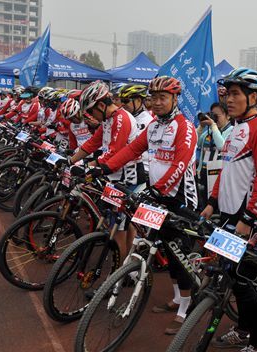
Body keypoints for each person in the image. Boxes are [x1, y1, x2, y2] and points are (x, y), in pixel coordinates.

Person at [95, 76, 199, 336]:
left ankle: (185, 310)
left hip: (179, 200)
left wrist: (157, 190)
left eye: (163, 97)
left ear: (175, 99)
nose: (157, 102)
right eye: (153, 97)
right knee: (161, 247)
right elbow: (131, 150)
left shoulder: (185, 127)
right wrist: (105, 167)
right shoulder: (152, 127)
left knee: (178, 255)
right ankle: (177, 297)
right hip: (156, 195)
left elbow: (180, 166)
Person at [200, 67, 257, 352]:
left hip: (247, 217)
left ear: (253, 96)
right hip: (230, 213)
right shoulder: (236, 129)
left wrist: (249, 218)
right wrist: (212, 202)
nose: (227, 99)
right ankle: (244, 329)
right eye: (226, 93)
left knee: (242, 283)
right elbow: (226, 171)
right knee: (232, 275)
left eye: (234, 94)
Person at [69, 80, 139, 259]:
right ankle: (126, 266)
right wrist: (71, 160)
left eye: (90, 111)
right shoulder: (108, 119)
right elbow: (92, 143)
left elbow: (114, 152)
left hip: (126, 178)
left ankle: (121, 273)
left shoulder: (121, 118)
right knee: (120, 226)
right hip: (113, 175)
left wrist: (88, 166)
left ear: (101, 105)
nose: (89, 115)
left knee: (118, 229)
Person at [196, 102, 233, 209]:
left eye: (217, 116)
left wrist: (213, 126)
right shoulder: (210, 131)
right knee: (202, 205)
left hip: (219, 176)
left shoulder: (232, 130)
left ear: (228, 115)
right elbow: (195, 142)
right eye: (213, 115)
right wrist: (201, 127)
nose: (214, 118)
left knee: (215, 208)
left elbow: (222, 146)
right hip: (203, 174)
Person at [117, 84, 155, 185]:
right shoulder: (126, 118)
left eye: (126, 101)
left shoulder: (148, 121)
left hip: (144, 172)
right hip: (127, 169)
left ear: (138, 100)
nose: (122, 104)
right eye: (121, 101)